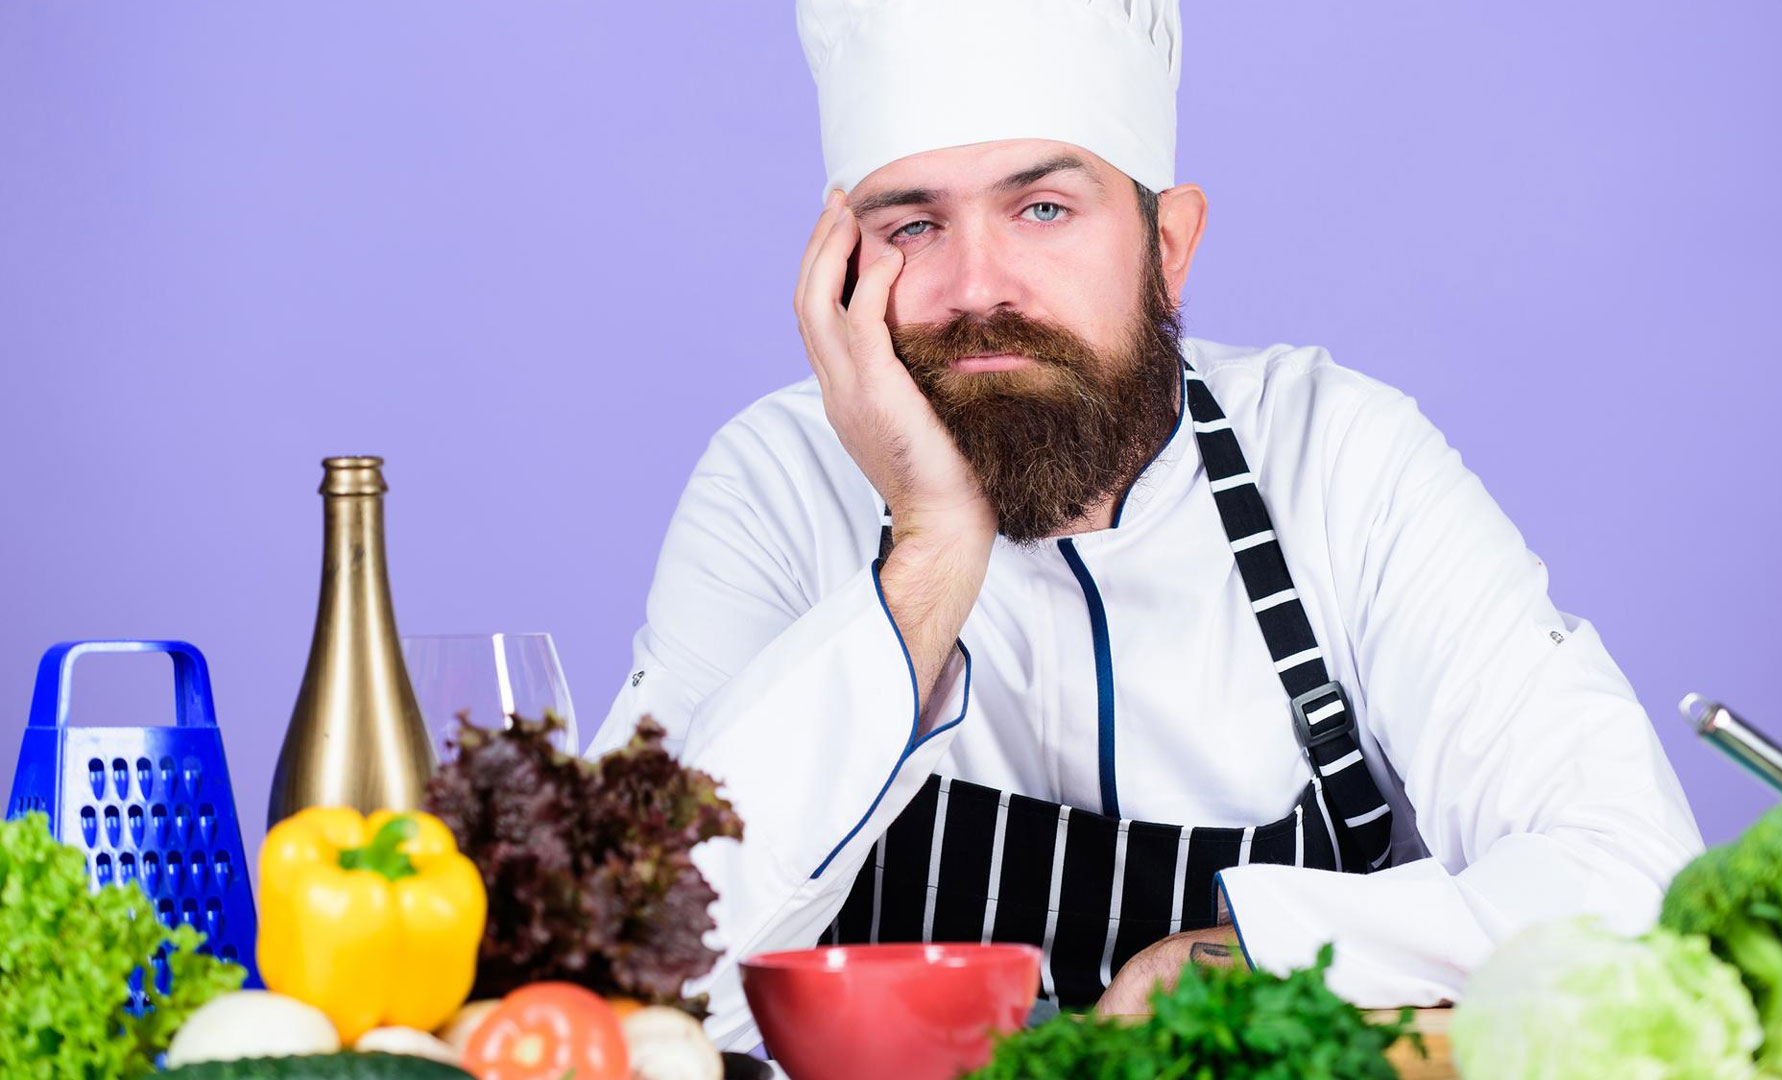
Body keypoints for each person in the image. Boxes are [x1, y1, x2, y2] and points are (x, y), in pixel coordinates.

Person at [590, 0, 1703, 1050]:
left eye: (1043, 209)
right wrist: (929, 552)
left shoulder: (1339, 459)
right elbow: (621, 972)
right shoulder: (777, 483)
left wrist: (1250, 956)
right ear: (839, 276)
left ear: (1168, 243)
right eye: (914, 226)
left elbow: (1634, 881)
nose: (981, 288)